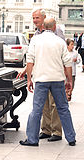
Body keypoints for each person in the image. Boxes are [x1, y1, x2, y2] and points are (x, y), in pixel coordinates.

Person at [19, 18, 76, 147]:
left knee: (37, 110)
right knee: (63, 109)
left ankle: (32, 140)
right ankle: (71, 138)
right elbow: (67, 62)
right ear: (55, 27)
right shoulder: (60, 41)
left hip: (41, 79)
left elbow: (30, 61)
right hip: (57, 79)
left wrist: (29, 79)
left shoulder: (35, 40)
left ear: (43, 27)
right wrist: (69, 81)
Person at [17, 9, 64, 142]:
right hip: (41, 74)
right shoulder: (37, 34)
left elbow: (61, 51)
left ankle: (56, 132)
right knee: (43, 104)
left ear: (44, 19)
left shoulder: (56, 31)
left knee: (54, 104)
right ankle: (46, 130)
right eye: (33, 18)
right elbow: (33, 56)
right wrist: (26, 70)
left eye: (37, 18)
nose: (35, 21)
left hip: (53, 74)